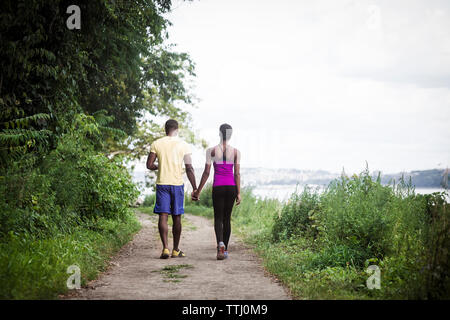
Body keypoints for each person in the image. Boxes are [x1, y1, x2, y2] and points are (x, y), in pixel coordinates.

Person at [146, 119, 198, 259]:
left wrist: (160, 166)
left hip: (162, 183)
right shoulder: (184, 145)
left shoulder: (157, 143)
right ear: (177, 130)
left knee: (163, 216)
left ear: (165, 129)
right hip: (177, 184)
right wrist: (195, 188)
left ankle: (165, 249)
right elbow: (189, 168)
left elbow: (149, 165)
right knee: (177, 217)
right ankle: (175, 249)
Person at [193, 123, 241, 260]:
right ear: (230, 135)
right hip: (231, 187)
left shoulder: (211, 151)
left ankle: (219, 244)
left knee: (218, 218)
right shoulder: (236, 152)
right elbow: (237, 174)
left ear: (219, 133)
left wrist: (198, 190)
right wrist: (238, 193)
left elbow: (207, 172)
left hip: (218, 187)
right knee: (227, 219)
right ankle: (225, 249)